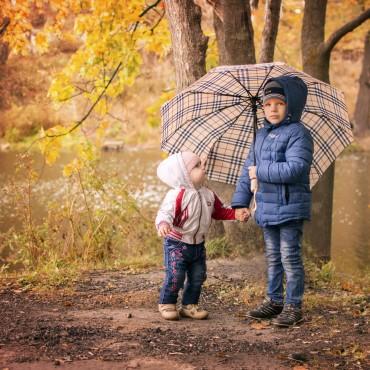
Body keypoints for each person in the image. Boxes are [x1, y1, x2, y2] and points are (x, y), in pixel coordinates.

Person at [231, 76, 314, 327]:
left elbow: (296, 168)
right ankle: (275, 300)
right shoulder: (260, 136)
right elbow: (248, 171)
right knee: (273, 258)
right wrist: (241, 203)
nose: (273, 109)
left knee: (289, 257)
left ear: (291, 105)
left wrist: (261, 171)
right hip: (266, 207)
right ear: (262, 108)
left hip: (289, 207)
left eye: (279, 103)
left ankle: (293, 305)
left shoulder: (298, 133)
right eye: (268, 105)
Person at [156, 151, 248, 321]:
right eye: (197, 166)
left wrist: (236, 214)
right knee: (176, 275)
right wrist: (163, 224)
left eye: (202, 165)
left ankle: (189, 305)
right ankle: (167, 303)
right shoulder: (177, 194)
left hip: (198, 245)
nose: (203, 169)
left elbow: (219, 211)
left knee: (198, 276)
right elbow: (165, 213)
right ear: (184, 174)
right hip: (177, 243)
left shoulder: (208, 194)